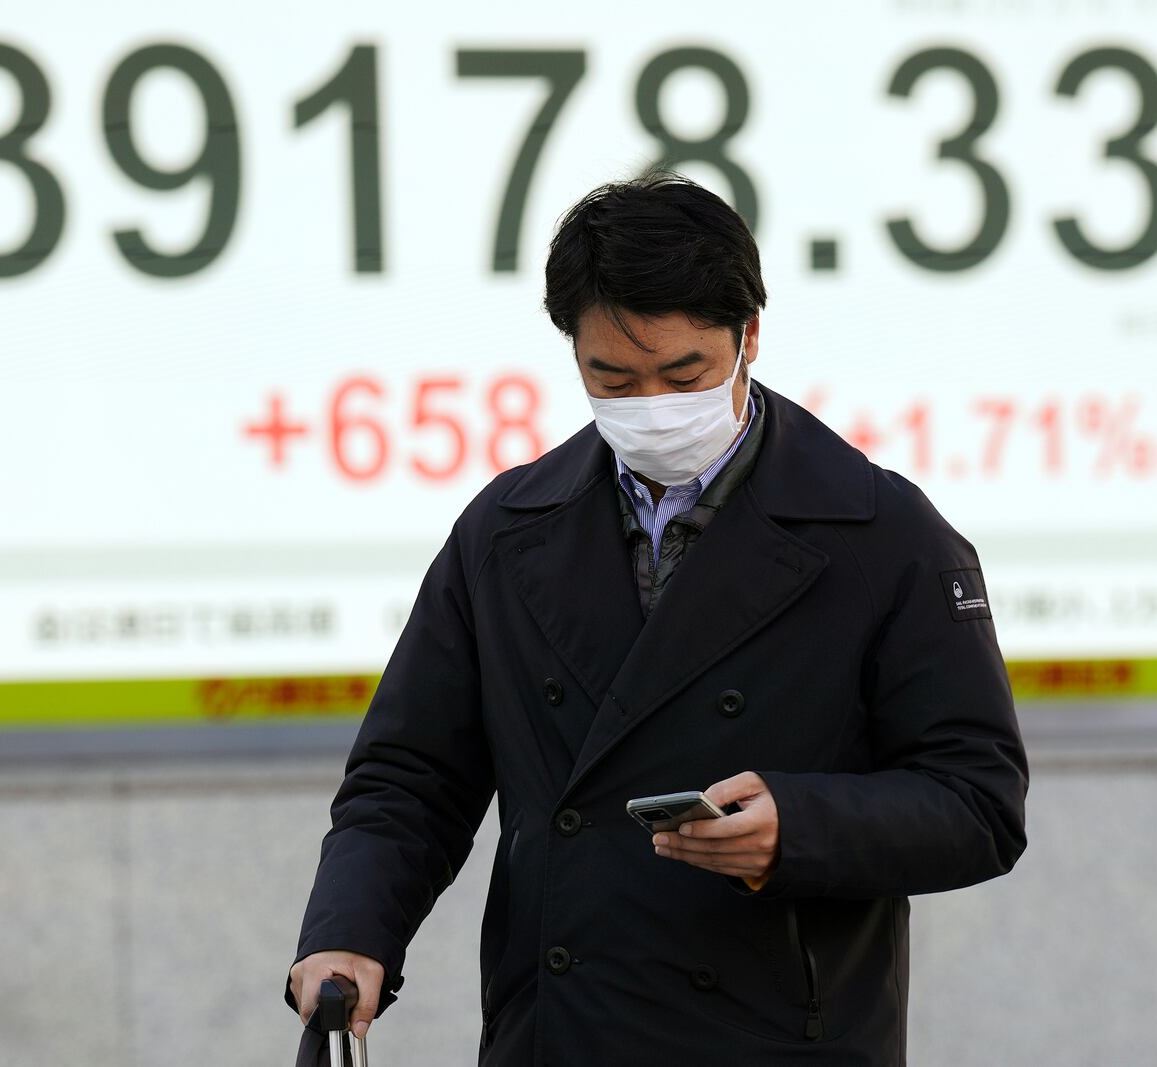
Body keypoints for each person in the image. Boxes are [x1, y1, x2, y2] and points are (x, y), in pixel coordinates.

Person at [285, 170, 1028, 1066]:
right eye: (614, 378)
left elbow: (979, 801)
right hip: (559, 1031)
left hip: (778, 1036)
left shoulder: (883, 533)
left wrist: (798, 825)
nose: (652, 408)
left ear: (749, 336)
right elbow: (409, 778)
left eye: (684, 374)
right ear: (573, 355)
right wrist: (351, 931)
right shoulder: (506, 530)